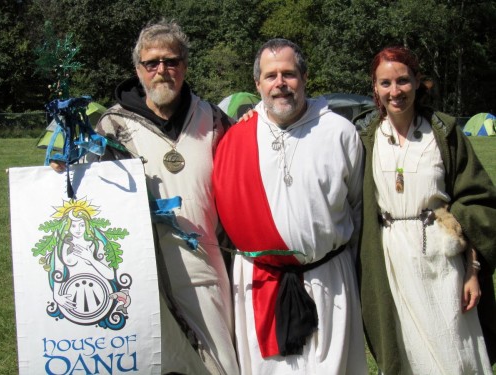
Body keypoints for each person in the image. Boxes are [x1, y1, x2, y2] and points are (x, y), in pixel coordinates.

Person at [53, 19, 240, 375]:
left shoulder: (214, 120)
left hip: (207, 274)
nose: (162, 70)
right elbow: (85, 201)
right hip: (140, 279)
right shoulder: (112, 127)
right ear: (138, 70)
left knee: (221, 368)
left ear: (184, 66)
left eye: (171, 61)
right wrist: (63, 172)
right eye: (152, 63)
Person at [213, 38, 368, 375]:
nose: (280, 84)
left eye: (289, 74)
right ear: (257, 84)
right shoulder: (237, 140)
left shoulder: (340, 133)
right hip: (260, 283)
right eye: (270, 76)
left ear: (305, 77)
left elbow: (357, 207)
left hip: (328, 281)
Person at [358, 46, 496, 374]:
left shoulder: (444, 133)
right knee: (408, 354)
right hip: (391, 262)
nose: (395, 91)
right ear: (375, 87)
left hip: (443, 262)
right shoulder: (365, 137)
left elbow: (477, 201)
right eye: (386, 83)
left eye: (403, 81)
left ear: (418, 82)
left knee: (454, 353)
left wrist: (473, 271)